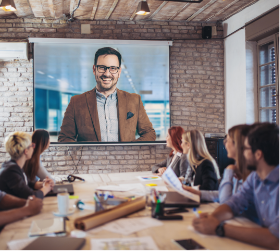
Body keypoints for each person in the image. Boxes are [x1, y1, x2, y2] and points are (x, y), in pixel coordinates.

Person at [192, 122, 280, 250]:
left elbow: (276, 239)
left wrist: (220, 228)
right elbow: (233, 204)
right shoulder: (255, 177)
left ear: (258, 154)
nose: (242, 153)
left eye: (245, 149)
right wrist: (213, 218)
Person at [58, 47, 156, 142]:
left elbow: (149, 133)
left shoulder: (134, 100)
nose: (107, 74)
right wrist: (84, 156)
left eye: (113, 68)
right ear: (94, 69)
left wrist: (130, 150)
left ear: (119, 72)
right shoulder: (77, 102)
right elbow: (64, 138)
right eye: (102, 68)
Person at [183, 124, 251, 203]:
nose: (224, 143)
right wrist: (197, 193)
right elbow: (224, 195)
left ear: (237, 144)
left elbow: (227, 201)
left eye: (227, 140)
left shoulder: (247, 172)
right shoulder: (237, 167)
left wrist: (229, 170)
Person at [0, 132, 54, 199]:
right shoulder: (11, 172)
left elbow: (26, 183)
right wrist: (46, 188)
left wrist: (43, 184)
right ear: (26, 151)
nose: (34, 148)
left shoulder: (13, 167)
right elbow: (31, 197)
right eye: (32, 145)